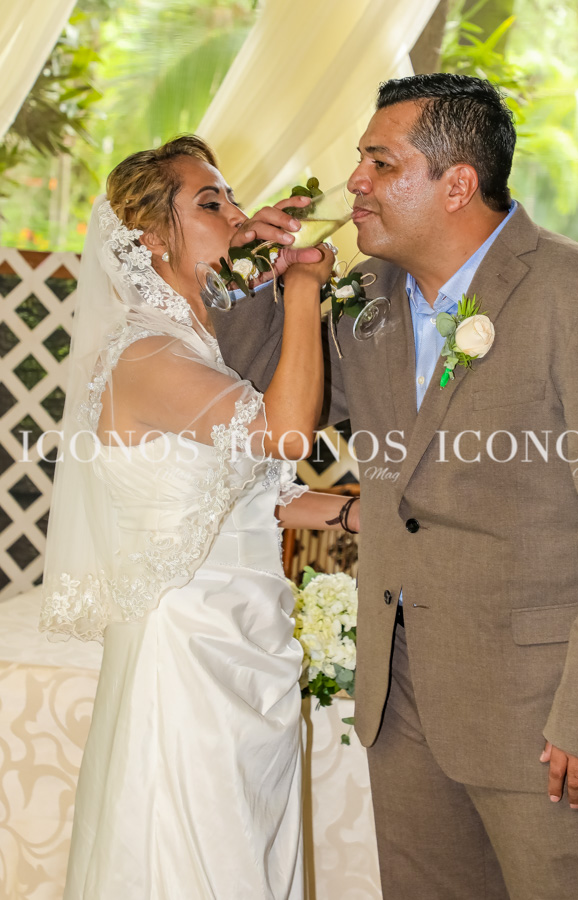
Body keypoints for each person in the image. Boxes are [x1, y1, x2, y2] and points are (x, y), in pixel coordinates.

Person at [211, 75, 578, 899]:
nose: (355, 182)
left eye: (380, 161)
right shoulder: (367, 302)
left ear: (458, 182)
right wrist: (258, 276)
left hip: (546, 720)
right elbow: (263, 400)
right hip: (399, 707)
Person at [40, 134, 359, 900]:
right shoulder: (147, 357)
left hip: (252, 636)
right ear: (151, 239)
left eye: (233, 198)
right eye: (208, 202)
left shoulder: (202, 348)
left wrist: (362, 517)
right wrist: (303, 290)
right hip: (188, 651)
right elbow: (286, 436)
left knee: (249, 851)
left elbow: (259, 491)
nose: (236, 214)